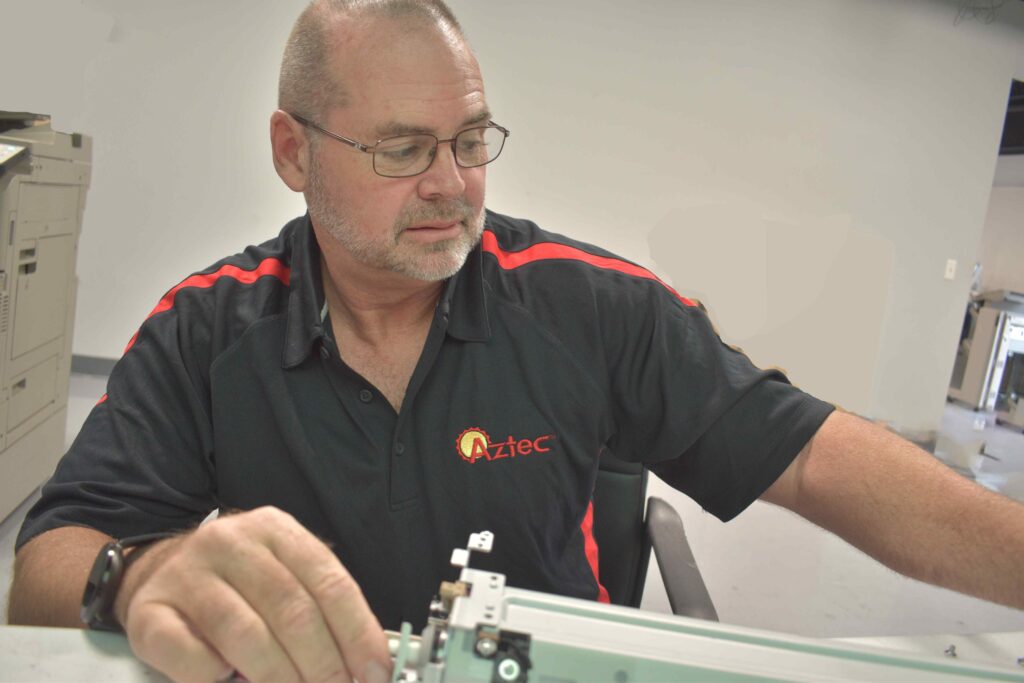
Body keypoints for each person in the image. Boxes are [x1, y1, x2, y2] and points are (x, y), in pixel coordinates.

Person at [8, 1, 1024, 682]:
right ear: (293, 151)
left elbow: (812, 457)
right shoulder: (207, 329)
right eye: (402, 148)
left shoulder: (590, 305)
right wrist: (137, 575)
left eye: (469, 139)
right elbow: (50, 561)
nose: (452, 184)